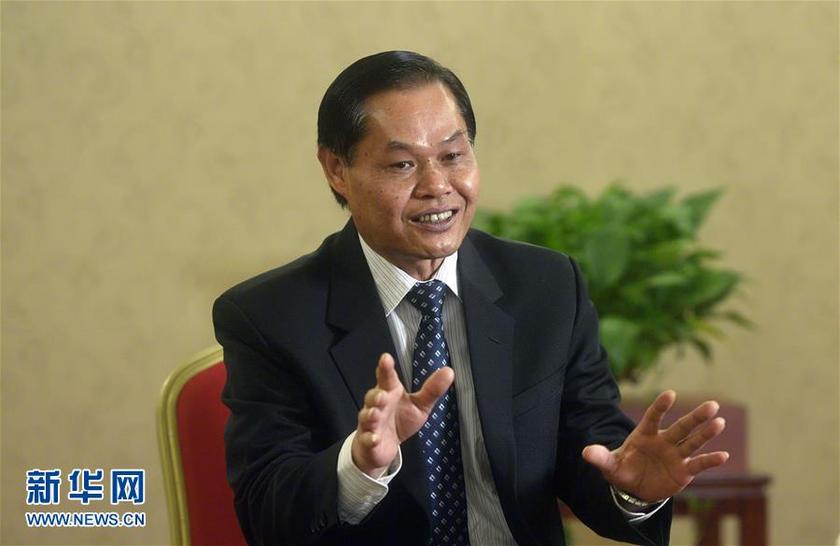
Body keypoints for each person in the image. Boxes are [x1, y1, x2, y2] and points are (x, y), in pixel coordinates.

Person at [213, 50, 729, 546]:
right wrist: (359, 465)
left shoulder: (546, 287)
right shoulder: (269, 317)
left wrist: (632, 491)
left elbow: (593, 452)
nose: (437, 186)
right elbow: (266, 516)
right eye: (402, 165)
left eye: (453, 156)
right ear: (336, 169)